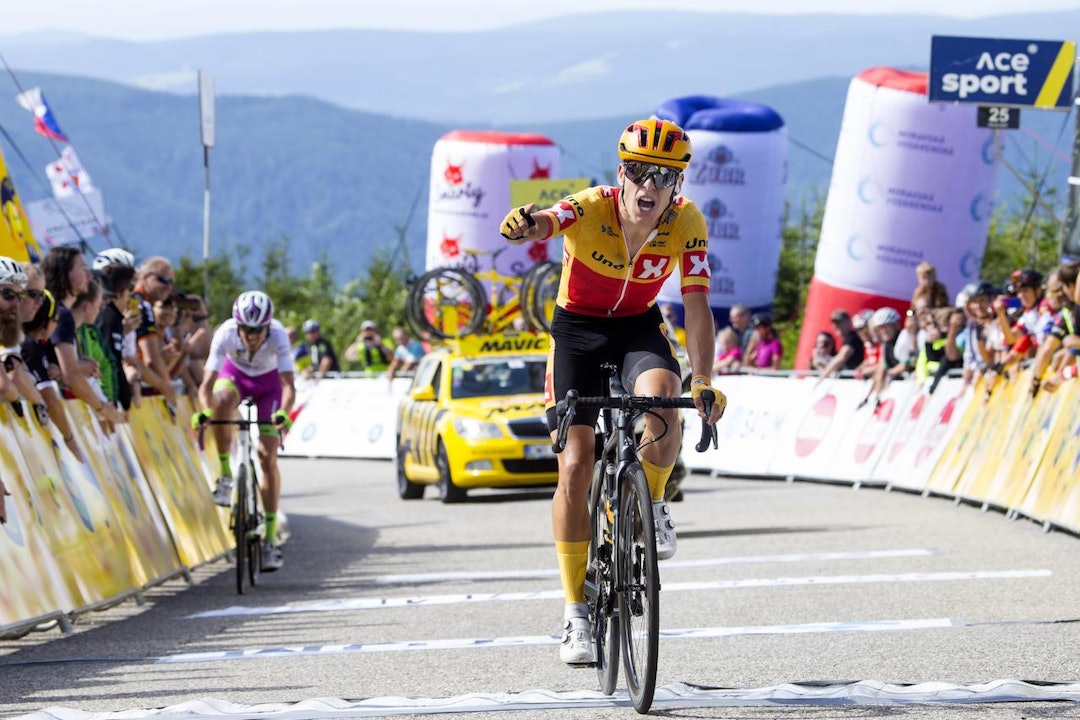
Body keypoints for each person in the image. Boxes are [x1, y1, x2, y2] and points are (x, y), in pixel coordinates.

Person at [499, 118, 725, 666]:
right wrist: (528, 225)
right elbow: (552, 219)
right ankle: (576, 615)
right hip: (575, 332)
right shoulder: (593, 205)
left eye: (665, 177)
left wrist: (704, 380)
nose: (651, 186)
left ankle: (651, 501)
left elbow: (696, 305)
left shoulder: (686, 220)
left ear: (678, 184)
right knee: (576, 464)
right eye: (640, 172)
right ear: (621, 171)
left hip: (636, 329)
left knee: (666, 401)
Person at [191, 290, 295, 572]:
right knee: (221, 401)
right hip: (235, 377)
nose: (252, 336)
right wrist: (206, 411)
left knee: (266, 456)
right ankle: (225, 475)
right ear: (237, 325)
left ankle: (270, 538)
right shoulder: (225, 333)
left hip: (268, 385)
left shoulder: (278, 335)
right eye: (246, 330)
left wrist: (283, 414)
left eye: (258, 330)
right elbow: (206, 385)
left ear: (267, 326)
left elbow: (288, 386)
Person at [41, 247, 123, 426]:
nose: (90, 275)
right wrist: (102, 408)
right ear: (65, 274)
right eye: (82, 268)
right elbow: (72, 377)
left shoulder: (57, 310)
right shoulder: (61, 314)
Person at [131, 257, 178, 405]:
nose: (168, 286)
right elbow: (151, 359)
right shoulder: (143, 305)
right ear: (145, 277)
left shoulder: (136, 301)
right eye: (163, 279)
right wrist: (168, 389)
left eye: (171, 282)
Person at [818, 309, 865, 379]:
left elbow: (842, 357)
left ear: (848, 321)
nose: (836, 325)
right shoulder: (848, 338)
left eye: (839, 322)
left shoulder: (852, 337)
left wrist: (823, 376)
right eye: (834, 323)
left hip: (855, 382)